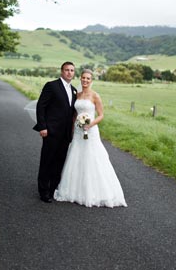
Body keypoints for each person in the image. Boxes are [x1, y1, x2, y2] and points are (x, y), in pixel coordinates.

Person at [54, 69, 127, 208]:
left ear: (91, 81)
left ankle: (94, 192)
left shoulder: (95, 96)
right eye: (83, 78)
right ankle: (74, 190)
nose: (85, 80)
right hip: (77, 131)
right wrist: (73, 128)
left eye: (88, 78)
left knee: (92, 157)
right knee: (76, 156)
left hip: (91, 131)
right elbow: (75, 114)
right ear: (80, 79)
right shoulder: (77, 94)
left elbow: (101, 115)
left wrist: (90, 124)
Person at [33, 62, 77, 203]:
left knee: (59, 162)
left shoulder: (74, 90)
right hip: (51, 131)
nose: (69, 73)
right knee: (47, 161)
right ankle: (43, 191)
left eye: (72, 70)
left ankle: (52, 189)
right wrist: (42, 127)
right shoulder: (51, 86)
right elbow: (41, 106)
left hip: (65, 135)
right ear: (61, 71)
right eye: (67, 70)